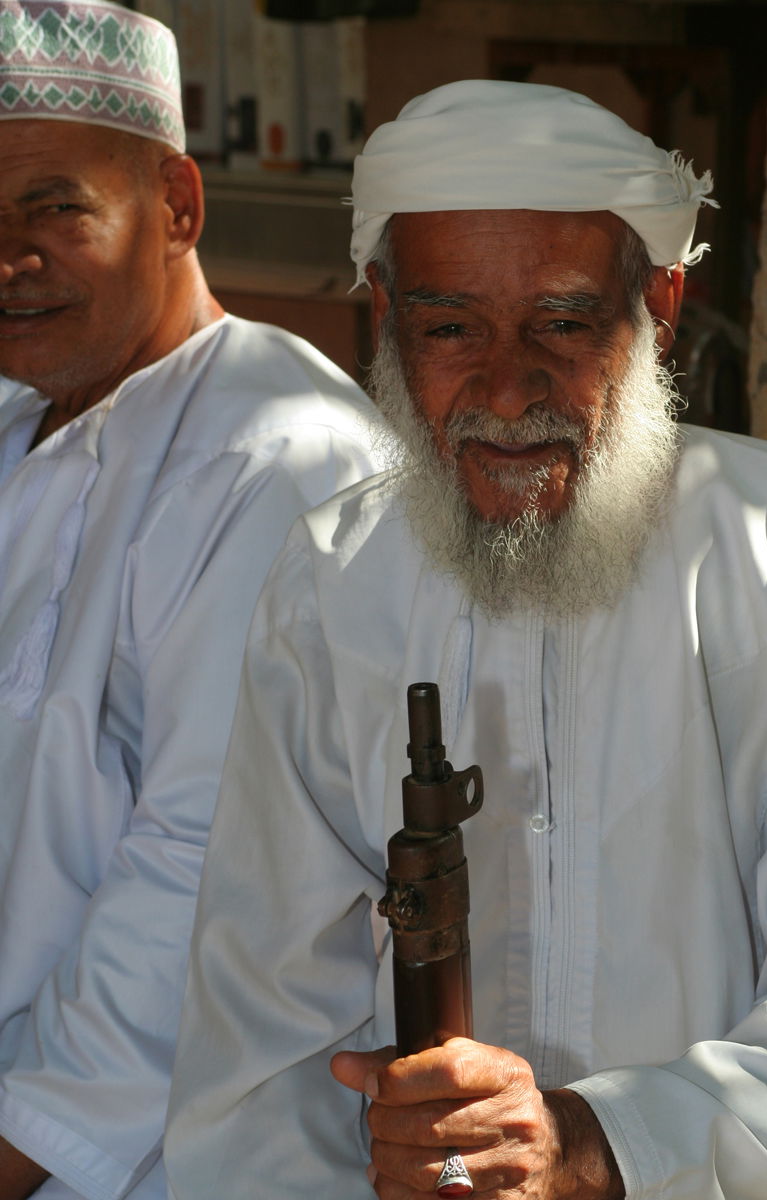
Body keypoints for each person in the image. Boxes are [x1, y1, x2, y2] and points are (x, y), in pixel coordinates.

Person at [165, 80, 767, 1199]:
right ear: (382, 310)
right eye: (448, 327)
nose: (506, 391)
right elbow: (263, 1044)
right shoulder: (332, 580)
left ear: (655, 300)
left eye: (561, 321)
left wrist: (601, 1144)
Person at [0, 2, 384, 1197]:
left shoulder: (280, 457)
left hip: (170, 1159)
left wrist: (20, 1143)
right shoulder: (20, 423)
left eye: (53, 205)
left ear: (177, 205)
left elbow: (208, 876)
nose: (10, 257)